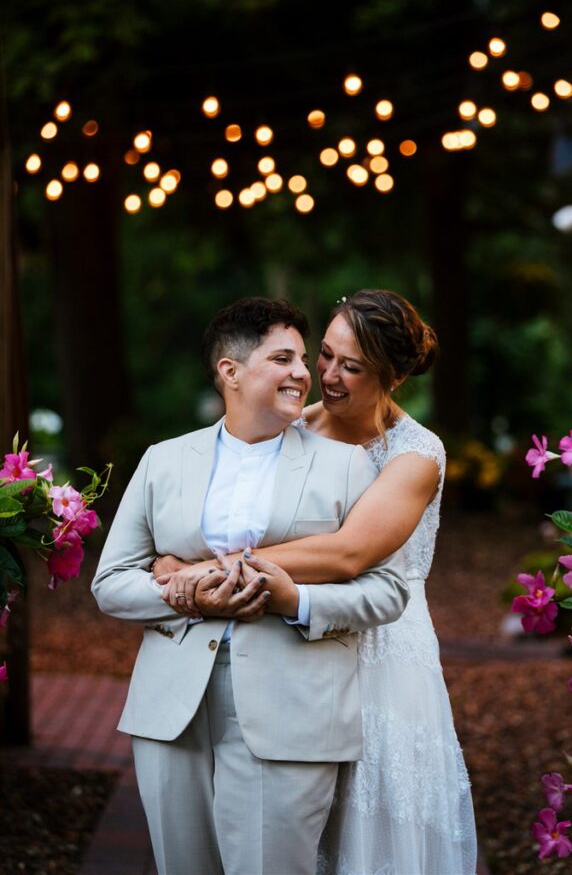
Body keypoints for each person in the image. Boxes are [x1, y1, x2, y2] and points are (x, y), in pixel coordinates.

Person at [158, 290, 478, 875]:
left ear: (394, 375)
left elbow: (347, 552)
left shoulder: (416, 454)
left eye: (350, 367)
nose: (325, 376)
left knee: (367, 824)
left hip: (382, 653)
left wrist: (210, 568)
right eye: (324, 355)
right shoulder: (292, 424)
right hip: (292, 642)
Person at [91, 297, 409, 875]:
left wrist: (296, 600)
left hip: (294, 713)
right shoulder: (163, 461)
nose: (304, 374)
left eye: (303, 360)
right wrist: (179, 594)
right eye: (282, 358)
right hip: (172, 714)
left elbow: (388, 591)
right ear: (230, 372)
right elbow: (110, 582)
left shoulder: (345, 466)